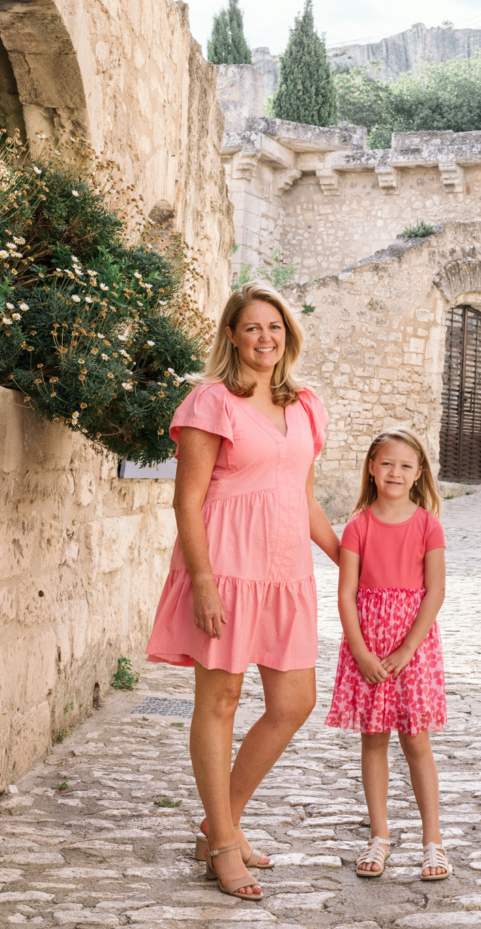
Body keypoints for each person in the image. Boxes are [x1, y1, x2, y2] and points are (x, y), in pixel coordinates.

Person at [146, 281, 340, 903]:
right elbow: (189, 499)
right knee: (222, 698)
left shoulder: (306, 404)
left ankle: (217, 823)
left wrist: (347, 560)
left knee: (294, 702)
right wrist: (202, 580)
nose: (265, 338)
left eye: (275, 327)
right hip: (225, 565)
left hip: (287, 571)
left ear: (289, 334)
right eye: (252, 327)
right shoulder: (211, 401)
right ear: (232, 334)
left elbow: (303, 496)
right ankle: (225, 844)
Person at [326, 430, 449, 883]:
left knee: (416, 740)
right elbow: (346, 592)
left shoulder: (427, 524)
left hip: (411, 647)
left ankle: (432, 840)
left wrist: (408, 647)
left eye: (405, 465)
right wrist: (360, 650)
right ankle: (379, 836)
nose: (394, 472)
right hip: (369, 646)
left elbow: (435, 590)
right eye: (386, 464)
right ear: (371, 469)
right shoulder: (358, 524)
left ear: (418, 474)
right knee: (373, 738)